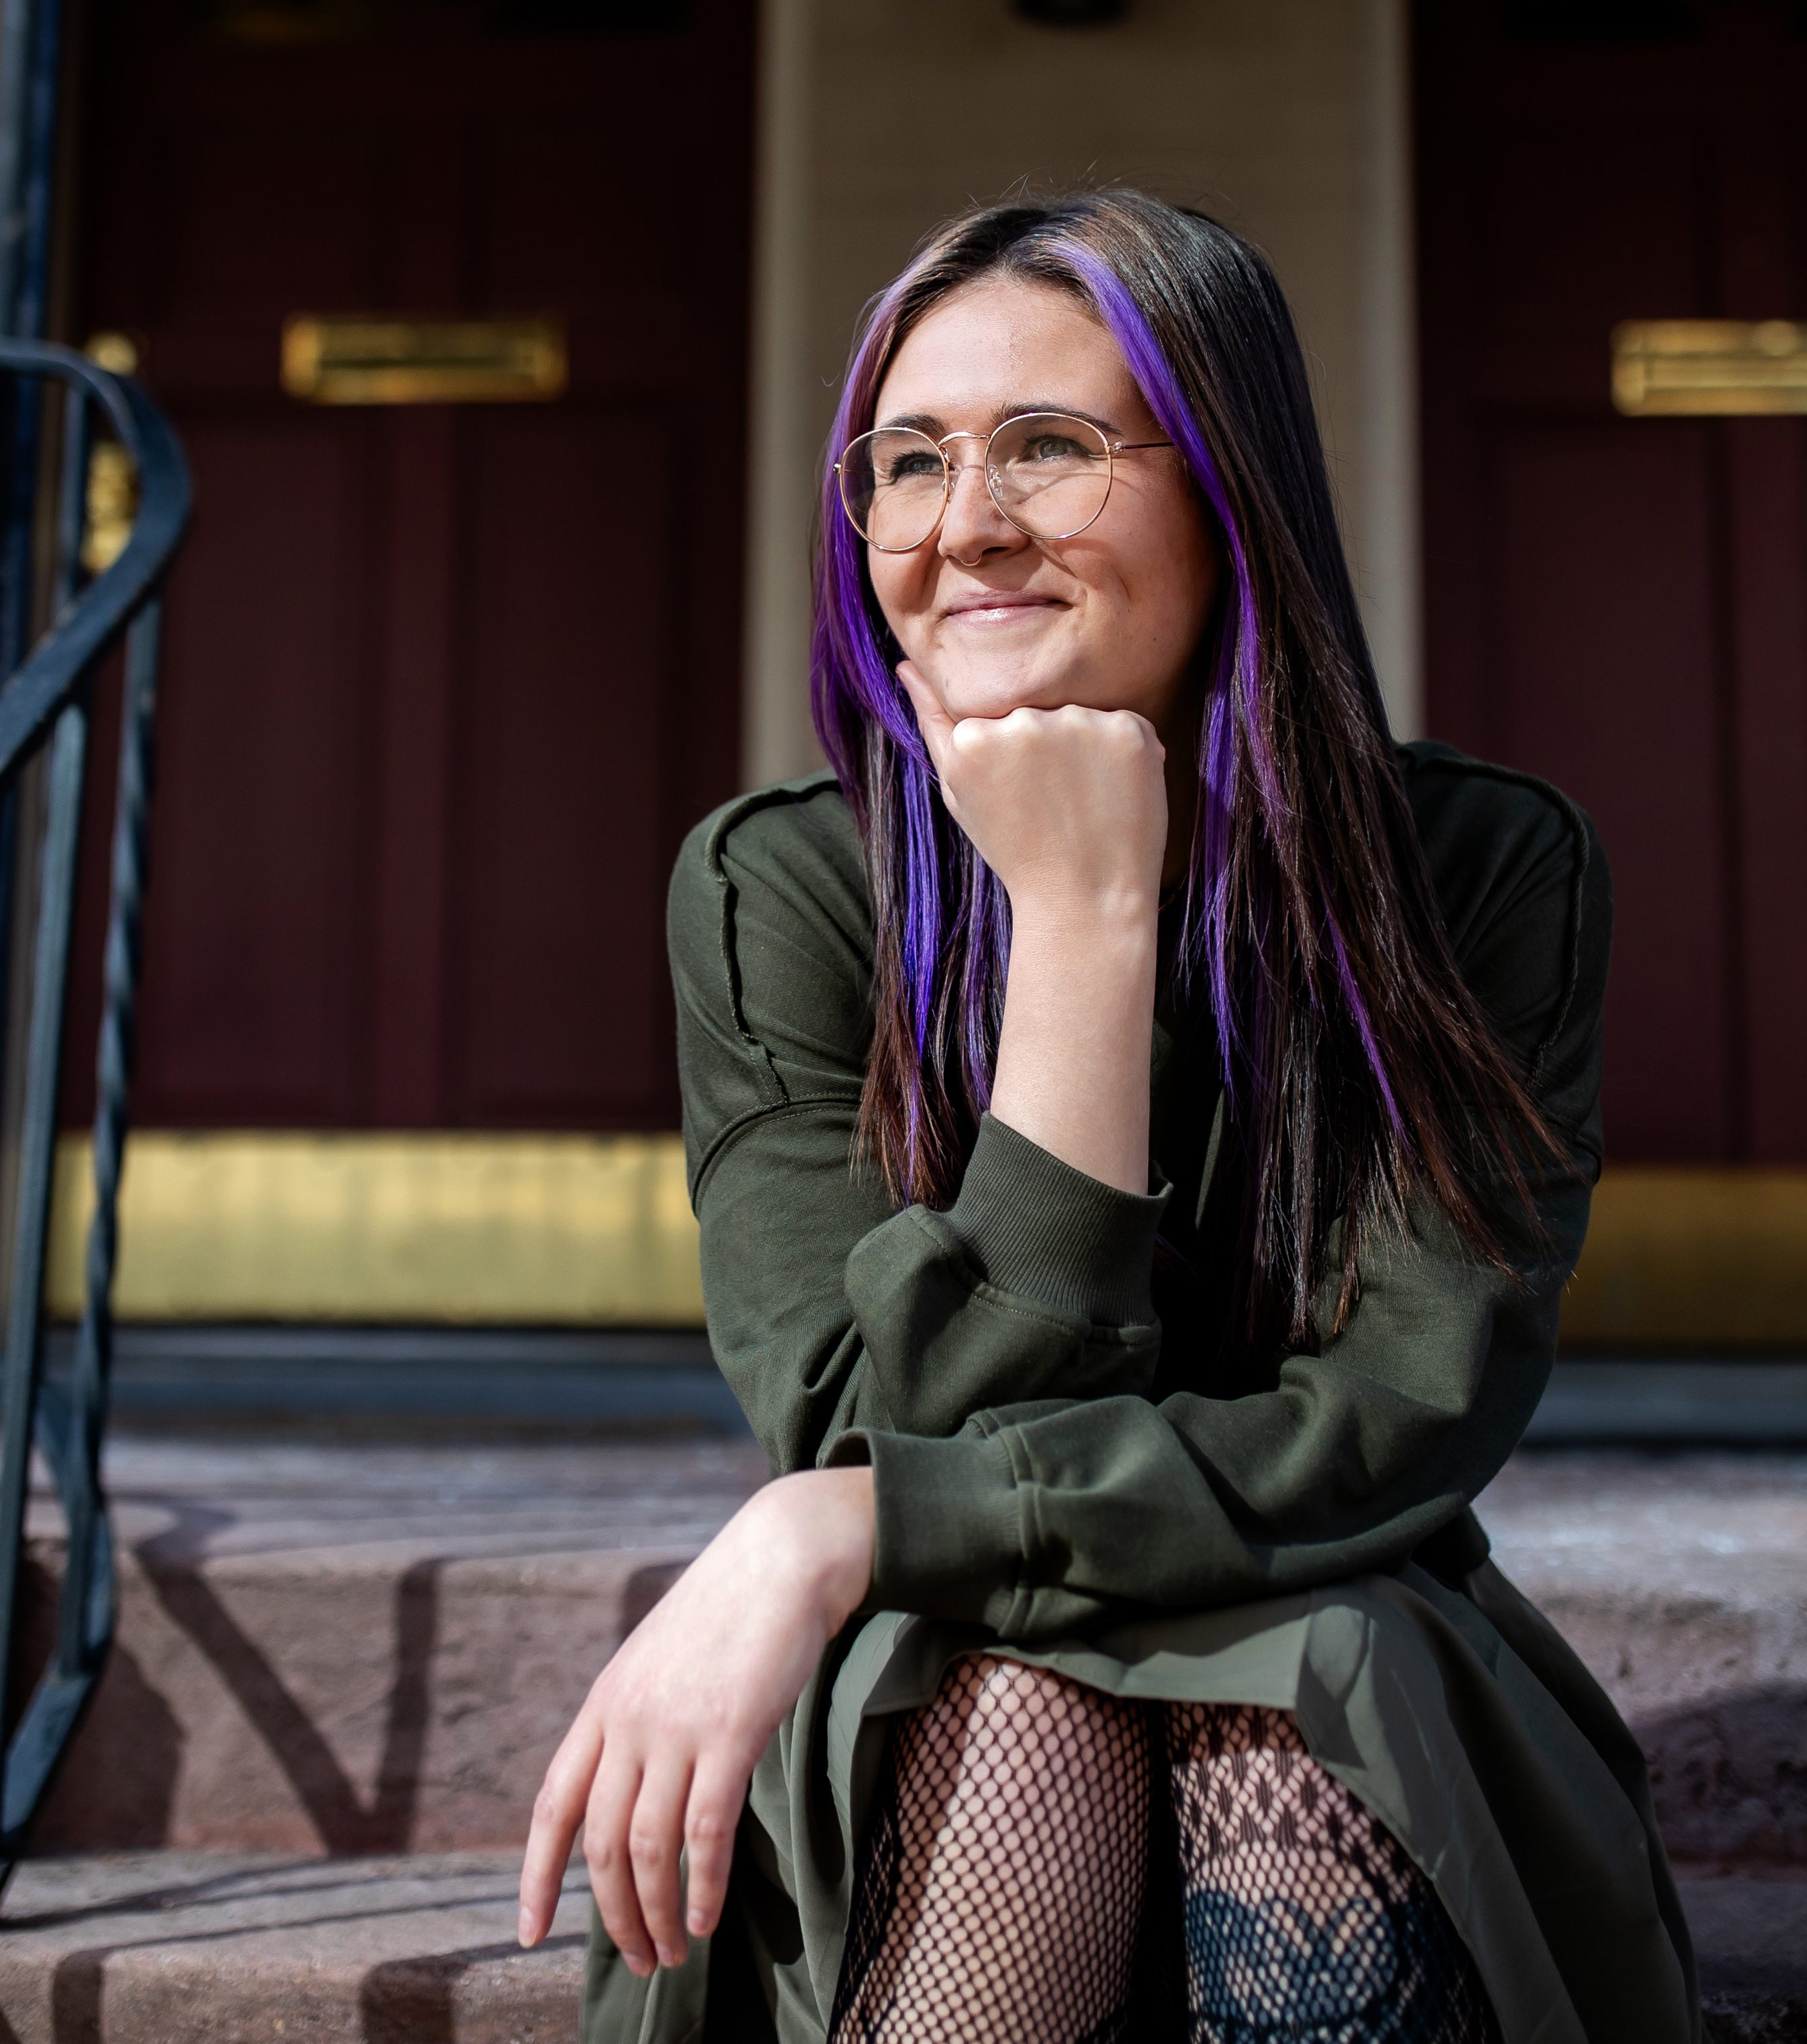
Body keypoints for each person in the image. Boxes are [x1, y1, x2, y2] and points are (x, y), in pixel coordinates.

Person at [516, 190, 1699, 2043]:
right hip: (937, 1726)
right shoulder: (785, 893)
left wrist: (826, 1531)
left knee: (1303, 1664)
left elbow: (1387, 1426)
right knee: (1003, 1683)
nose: (963, 524)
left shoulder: (1478, 875)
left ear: (1232, 492)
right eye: (905, 462)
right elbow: (871, 1420)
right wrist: (1077, 930)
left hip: (1338, 1668)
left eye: (1049, 447)